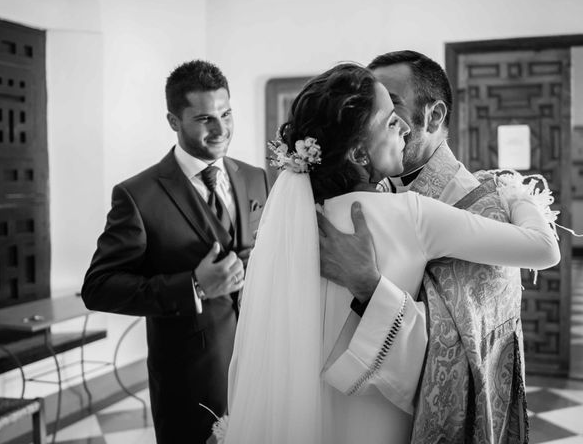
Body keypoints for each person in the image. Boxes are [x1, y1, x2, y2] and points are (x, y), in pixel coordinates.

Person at [221, 63, 559, 444]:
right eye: (390, 121)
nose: (404, 128)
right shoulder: (411, 214)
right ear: (359, 153)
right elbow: (544, 249)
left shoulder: (294, 223)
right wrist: (513, 189)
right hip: (376, 414)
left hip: (300, 412)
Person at [320, 50, 542, 442]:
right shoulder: (362, 194)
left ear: (434, 116)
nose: (385, 115)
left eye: (393, 103)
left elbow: (474, 341)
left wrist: (370, 287)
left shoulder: (482, 206)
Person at [82, 60, 269, 444]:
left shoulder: (255, 177)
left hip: (262, 364)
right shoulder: (138, 196)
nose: (221, 129)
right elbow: (98, 287)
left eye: (227, 114)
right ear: (173, 120)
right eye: (204, 119)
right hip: (190, 379)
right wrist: (194, 287)